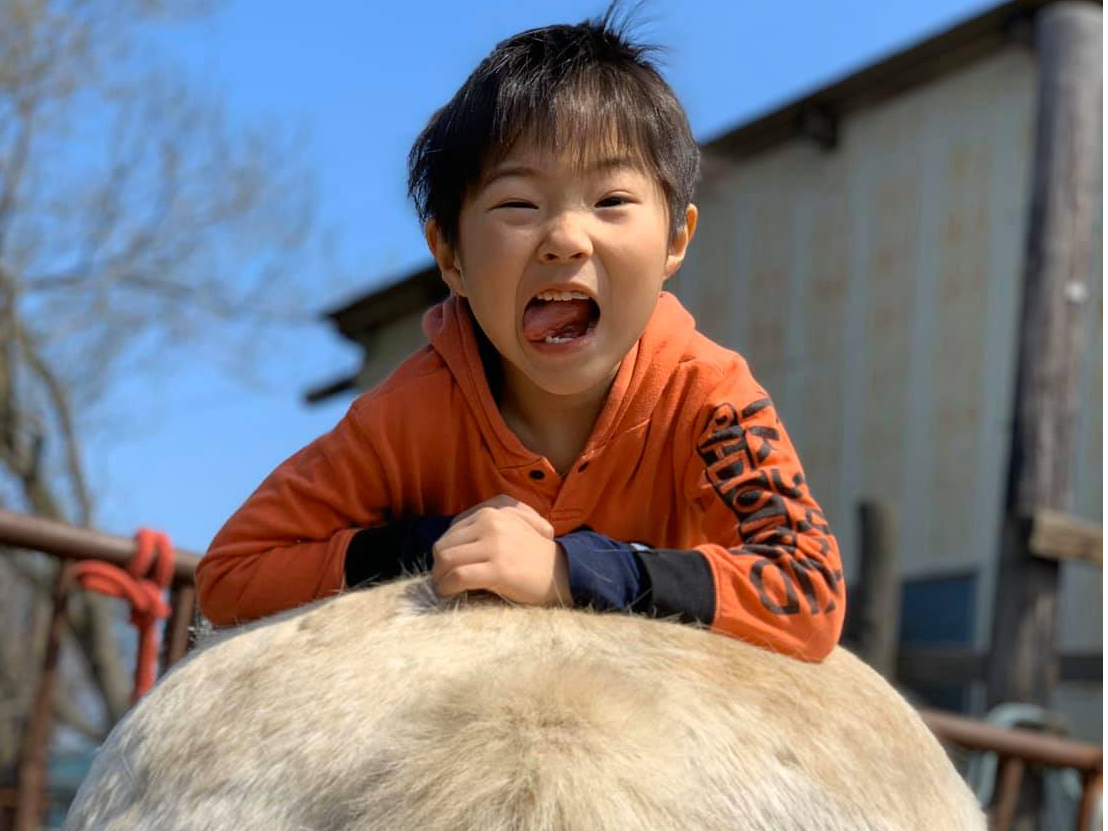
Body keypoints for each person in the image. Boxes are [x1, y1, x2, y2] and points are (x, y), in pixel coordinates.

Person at [196, 6, 845, 661]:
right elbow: (230, 572)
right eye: (517, 205)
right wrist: (432, 543)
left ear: (676, 239)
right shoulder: (404, 417)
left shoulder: (707, 397)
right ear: (450, 257)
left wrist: (578, 570)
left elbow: (810, 587)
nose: (565, 238)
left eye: (611, 201)